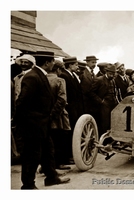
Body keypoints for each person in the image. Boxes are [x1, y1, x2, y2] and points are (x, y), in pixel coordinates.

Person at [14, 51, 70, 189]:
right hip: (33, 125)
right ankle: (28, 185)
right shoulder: (33, 77)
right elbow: (22, 102)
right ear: (46, 63)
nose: (53, 64)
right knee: (32, 155)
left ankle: (51, 177)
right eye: (52, 61)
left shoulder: (39, 75)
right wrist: (24, 123)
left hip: (42, 123)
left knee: (48, 151)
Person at [46, 60, 71, 169]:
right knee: (60, 138)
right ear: (58, 69)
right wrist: (53, 115)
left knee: (48, 140)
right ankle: (59, 163)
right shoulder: (60, 80)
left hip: (44, 114)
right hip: (58, 116)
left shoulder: (43, 79)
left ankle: (47, 164)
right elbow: (62, 100)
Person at [60, 56, 84, 163]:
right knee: (69, 132)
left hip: (76, 107)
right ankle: (68, 156)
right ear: (70, 65)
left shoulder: (72, 75)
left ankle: (72, 154)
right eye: (75, 64)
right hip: (70, 108)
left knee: (74, 130)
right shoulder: (64, 76)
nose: (77, 66)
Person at [90, 64, 119, 136]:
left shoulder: (113, 81)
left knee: (112, 122)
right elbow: (91, 92)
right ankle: (103, 141)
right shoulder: (99, 80)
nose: (112, 75)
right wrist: (101, 101)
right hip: (104, 105)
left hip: (113, 104)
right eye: (110, 73)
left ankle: (110, 139)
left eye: (113, 73)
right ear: (106, 72)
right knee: (104, 124)